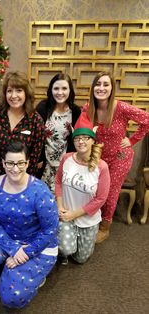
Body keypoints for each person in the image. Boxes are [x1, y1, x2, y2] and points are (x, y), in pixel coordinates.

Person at [0, 141, 58, 308]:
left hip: (37, 245)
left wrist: (26, 253)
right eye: (10, 163)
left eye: (20, 163)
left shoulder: (40, 191)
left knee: (13, 298)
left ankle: (20, 274)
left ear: (28, 163)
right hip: (7, 239)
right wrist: (13, 249)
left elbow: (50, 231)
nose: (15, 169)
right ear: (3, 163)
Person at [82, 71, 149, 243]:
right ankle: (93, 219)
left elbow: (146, 120)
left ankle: (105, 227)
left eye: (106, 84)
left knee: (111, 191)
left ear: (112, 88)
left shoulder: (121, 108)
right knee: (95, 189)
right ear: (93, 88)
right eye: (98, 84)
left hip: (120, 156)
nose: (101, 88)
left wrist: (132, 140)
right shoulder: (88, 107)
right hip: (100, 156)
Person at [55, 112, 110, 265]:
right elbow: (58, 181)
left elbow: (101, 199)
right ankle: (63, 249)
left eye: (85, 138)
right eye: (77, 138)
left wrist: (75, 214)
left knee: (81, 259)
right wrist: (60, 207)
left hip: (87, 219)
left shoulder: (101, 167)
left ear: (93, 140)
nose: (81, 141)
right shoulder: (67, 158)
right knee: (66, 249)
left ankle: (76, 244)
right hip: (66, 215)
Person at [0, 71, 45, 193]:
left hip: (19, 185)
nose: (14, 96)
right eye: (9, 91)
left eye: (19, 90)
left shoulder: (36, 121)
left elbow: (33, 161)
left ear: (26, 93)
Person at [36, 73, 81, 193]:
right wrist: (39, 157)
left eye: (64, 88)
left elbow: (76, 138)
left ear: (70, 90)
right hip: (44, 162)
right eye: (56, 88)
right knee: (42, 195)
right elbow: (36, 134)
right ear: (51, 90)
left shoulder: (75, 111)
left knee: (60, 197)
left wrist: (71, 159)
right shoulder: (43, 107)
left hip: (65, 161)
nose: (60, 92)